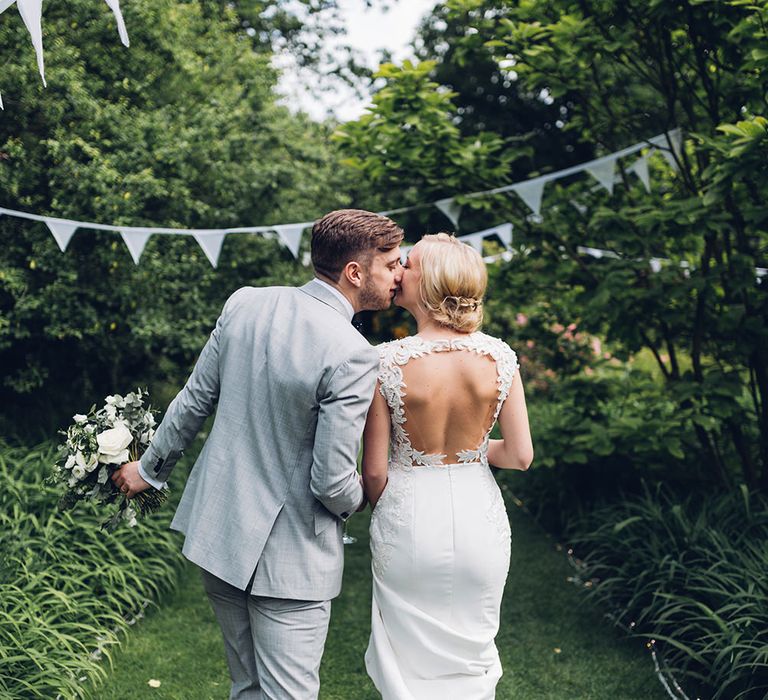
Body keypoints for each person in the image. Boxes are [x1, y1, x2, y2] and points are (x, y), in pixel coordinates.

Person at [112, 209, 404, 699]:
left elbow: (194, 399)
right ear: (355, 272)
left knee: (247, 688)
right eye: (392, 263)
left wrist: (148, 469)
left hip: (218, 531)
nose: (400, 273)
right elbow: (331, 482)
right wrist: (369, 497)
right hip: (289, 559)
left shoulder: (245, 303)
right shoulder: (354, 353)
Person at [362, 232, 534, 699]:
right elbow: (520, 455)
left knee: (408, 666)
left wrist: (390, 504)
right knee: (472, 658)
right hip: (480, 518)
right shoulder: (501, 357)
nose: (398, 271)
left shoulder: (385, 362)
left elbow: (374, 472)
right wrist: (474, 452)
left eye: (409, 265)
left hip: (410, 517)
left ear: (431, 282)